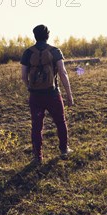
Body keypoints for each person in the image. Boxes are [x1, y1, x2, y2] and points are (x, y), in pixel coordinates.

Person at [21, 24, 74, 164]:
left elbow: (23, 76)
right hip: (53, 94)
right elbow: (63, 73)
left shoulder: (27, 52)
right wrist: (69, 94)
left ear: (35, 36)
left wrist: (31, 88)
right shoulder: (55, 51)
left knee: (36, 126)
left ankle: (37, 157)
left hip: (35, 96)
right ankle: (64, 150)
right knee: (60, 122)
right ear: (48, 35)